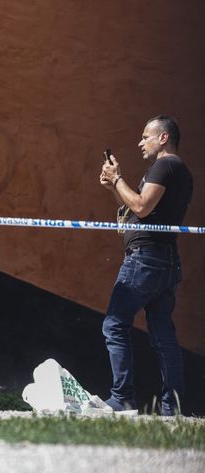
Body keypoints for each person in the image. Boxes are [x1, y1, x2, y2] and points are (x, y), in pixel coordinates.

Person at [99, 114, 193, 415]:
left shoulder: (166, 165)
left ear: (163, 138)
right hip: (163, 261)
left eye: (146, 136)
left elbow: (141, 206)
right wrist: (114, 187)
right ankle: (171, 409)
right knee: (163, 335)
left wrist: (117, 179)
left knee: (114, 324)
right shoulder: (178, 170)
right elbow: (137, 210)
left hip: (146, 261)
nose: (141, 142)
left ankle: (122, 398)